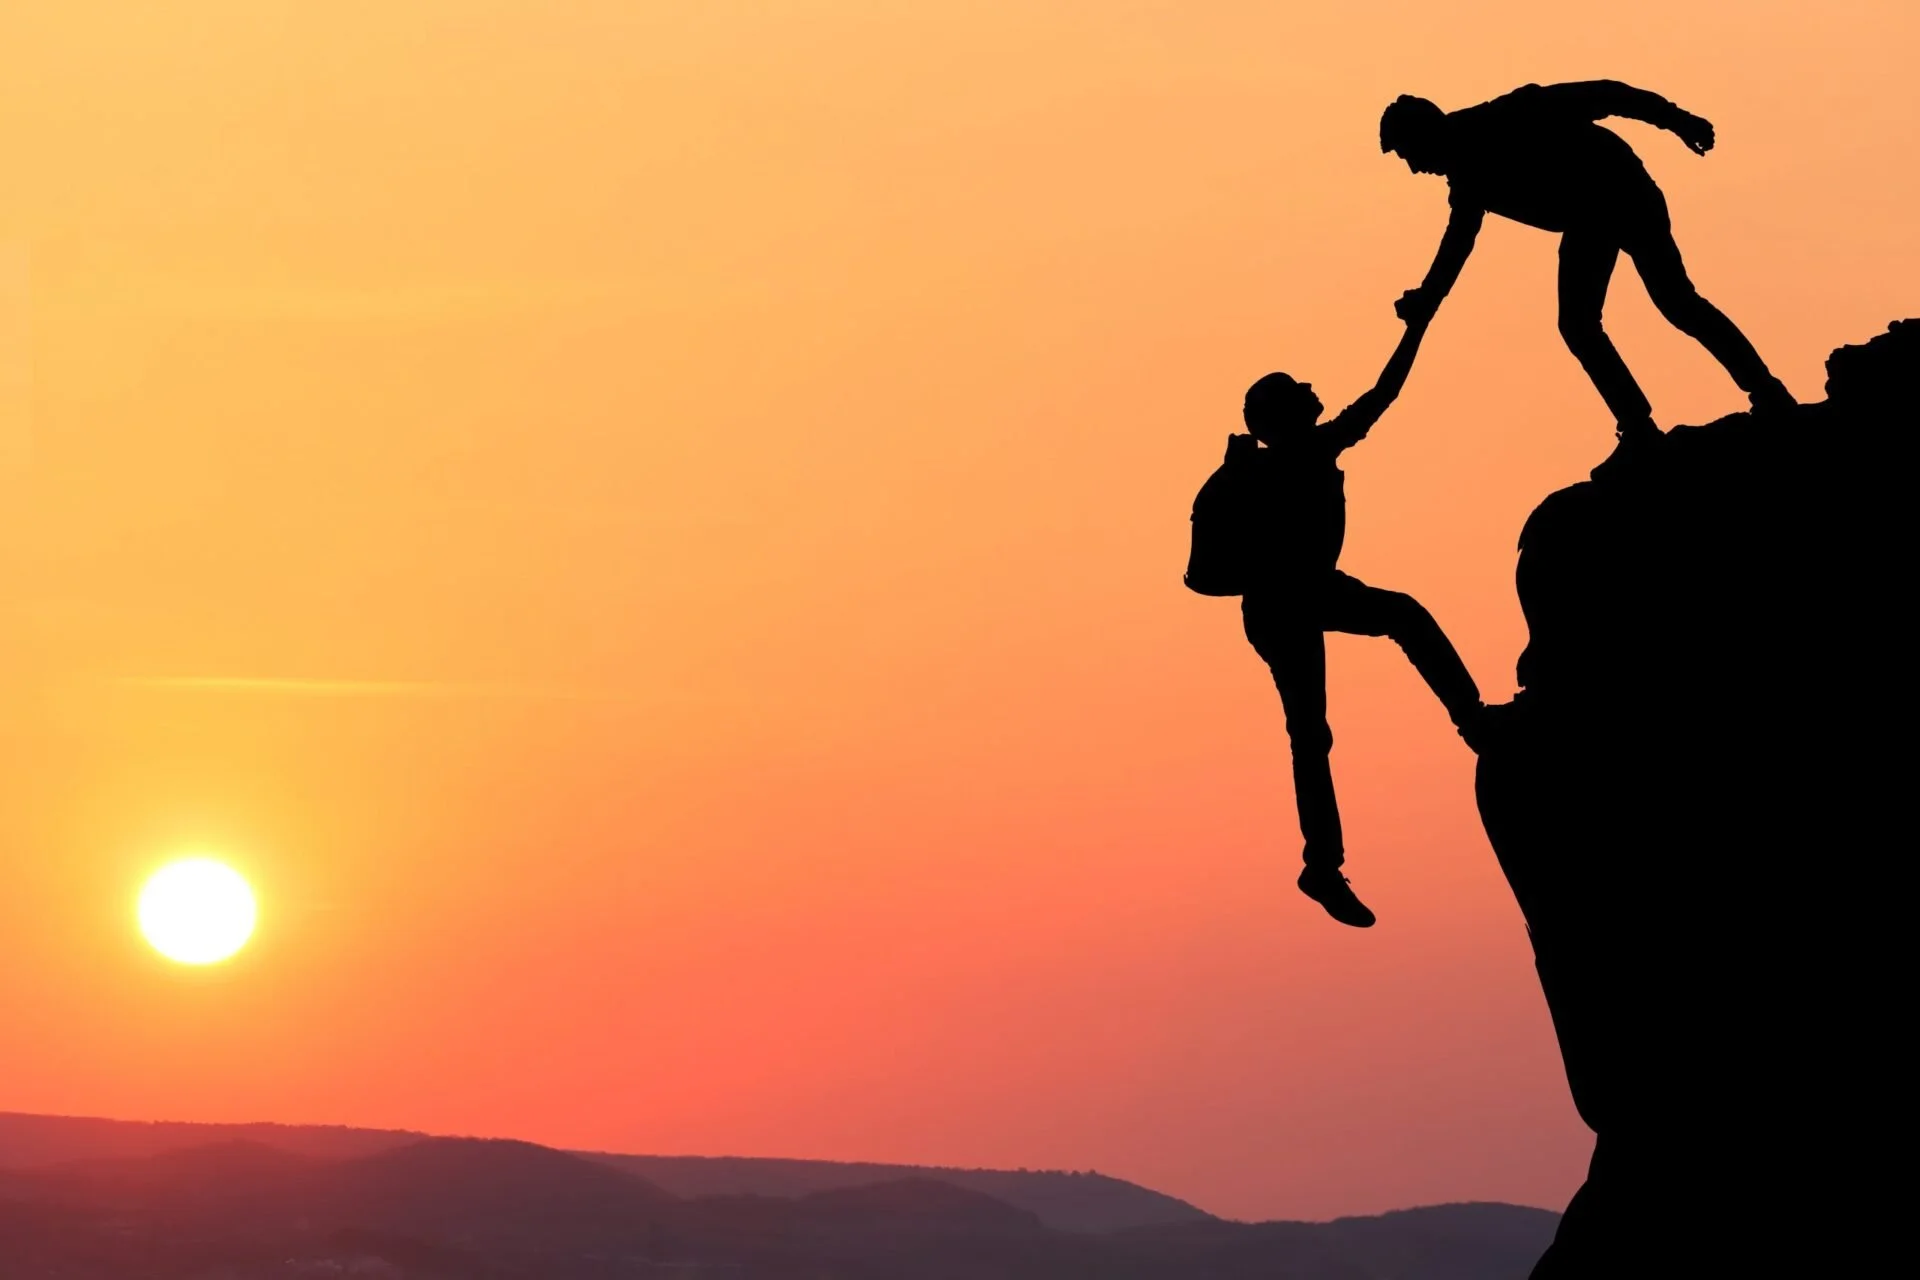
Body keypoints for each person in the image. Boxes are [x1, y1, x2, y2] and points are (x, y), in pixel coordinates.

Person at [1379, 81, 1794, 466]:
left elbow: (1607, 94)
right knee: (1582, 325)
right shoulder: (1468, 179)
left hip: (1623, 192)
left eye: (1408, 154)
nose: (1414, 169)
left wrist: (1677, 120)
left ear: (1427, 132)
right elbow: (1458, 244)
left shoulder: (1507, 114)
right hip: (1586, 219)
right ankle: (1641, 427)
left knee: (1675, 303)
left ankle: (1765, 393)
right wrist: (1427, 296)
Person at [1234, 317, 1487, 927]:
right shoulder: (1301, 453)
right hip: (1286, 604)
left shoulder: (1295, 453)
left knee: (1323, 719)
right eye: (1299, 392)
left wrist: (1418, 326)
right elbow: (1385, 392)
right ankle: (1323, 864)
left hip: (1301, 596)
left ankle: (1322, 864)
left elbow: (1381, 395)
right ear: (1286, 416)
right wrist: (1419, 326)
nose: (1312, 392)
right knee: (1316, 727)